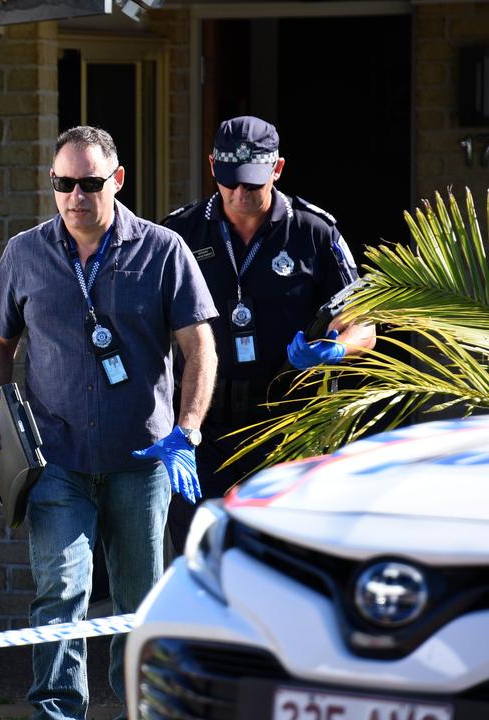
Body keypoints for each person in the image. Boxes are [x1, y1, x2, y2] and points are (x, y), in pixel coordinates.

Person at [0, 126, 217, 720]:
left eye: (88, 183)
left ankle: (140, 707)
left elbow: (200, 348)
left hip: (142, 459)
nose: (76, 196)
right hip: (56, 458)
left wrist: (188, 431)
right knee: (60, 591)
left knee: (138, 600)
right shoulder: (25, 253)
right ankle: (56, 711)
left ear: (117, 181)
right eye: (63, 183)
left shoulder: (163, 250)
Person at [160, 115, 376, 551]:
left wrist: (333, 350)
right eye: (230, 182)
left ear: (277, 169)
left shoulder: (313, 231)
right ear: (212, 168)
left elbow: (364, 325)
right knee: (203, 556)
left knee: (284, 557)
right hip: (204, 427)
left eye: (253, 184)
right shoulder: (179, 232)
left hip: (285, 424)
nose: (239, 194)